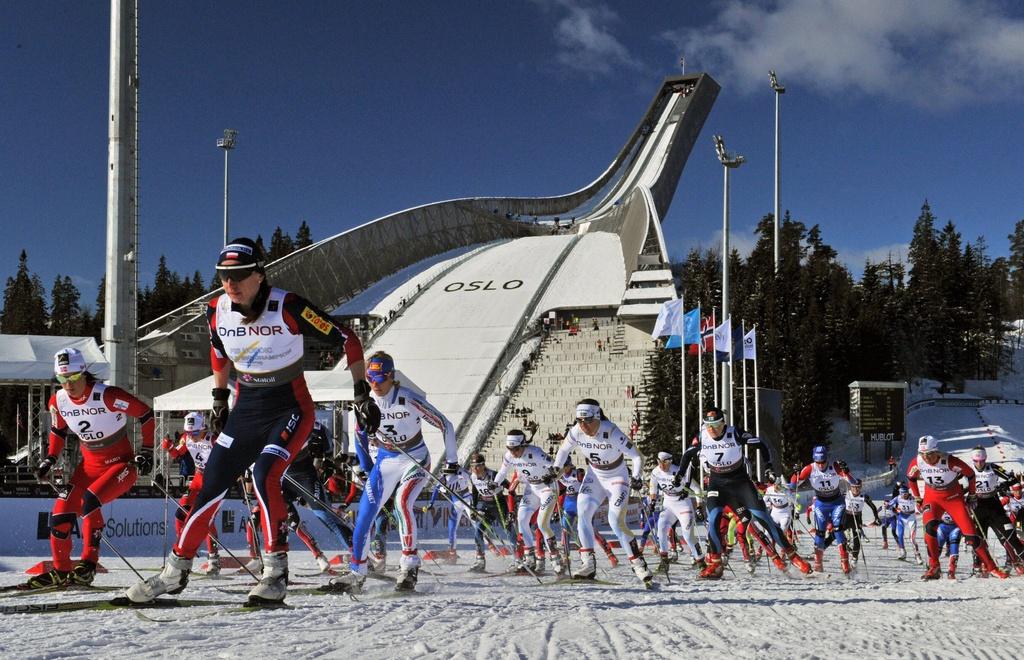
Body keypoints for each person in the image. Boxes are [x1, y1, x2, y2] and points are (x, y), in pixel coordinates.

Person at [126, 237, 371, 605]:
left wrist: (361, 392)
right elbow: (218, 351)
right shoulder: (215, 310)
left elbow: (347, 338)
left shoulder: (286, 305)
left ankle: (275, 572)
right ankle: (175, 572)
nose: (231, 284)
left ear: (259, 275)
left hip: (290, 407)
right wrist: (219, 397)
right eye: (224, 276)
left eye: (239, 275)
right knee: (212, 483)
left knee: (264, 475)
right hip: (247, 409)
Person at [327, 351, 458, 593]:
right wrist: (366, 469)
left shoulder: (408, 399)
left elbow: (444, 424)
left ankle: (409, 566)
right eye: (370, 378)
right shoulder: (367, 403)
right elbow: (359, 437)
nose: (374, 384)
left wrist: (452, 463)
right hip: (386, 461)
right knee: (365, 514)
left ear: (391, 376)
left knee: (401, 502)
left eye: (379, 378)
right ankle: (357, 571)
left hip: (415, 459)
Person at [24, 348, 155, 589]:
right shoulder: (58, 401)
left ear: (84, 373)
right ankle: (62, 571)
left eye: (73, 377)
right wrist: (50, 459)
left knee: (89, 501)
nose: (68, 384)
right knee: (60, 516)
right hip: (88, 468)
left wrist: (147, 451)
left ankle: (88, 565)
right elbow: (57, 430)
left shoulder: (107, 395)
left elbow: (146, 414)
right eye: (62, 379)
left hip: (120, 466)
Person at [679, 407, 811, 579]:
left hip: (740, 483)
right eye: (708, 425)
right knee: (713, 520)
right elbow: (687, 455)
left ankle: (793, 556)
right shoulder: (702, 436)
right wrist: (679, 477)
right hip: (717, 485)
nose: (712, 429)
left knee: (763, 519)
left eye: (716, 425)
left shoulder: (735, 433)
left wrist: (769, 468)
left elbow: (762, 445)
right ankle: (716, 564)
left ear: (723, 423)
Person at [554, 399, 652, 585]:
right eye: (580, 421)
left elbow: (637, 456)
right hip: (595, 476)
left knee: (615, 521)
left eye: (588, 421)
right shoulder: (576, 431)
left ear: (597, 416)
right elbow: (563, 450)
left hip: (617, 478)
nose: (583, 425)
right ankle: (588, 564)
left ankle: (638, 563)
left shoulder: (611, 431)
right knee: (583, 513)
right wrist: (555, 468)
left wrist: (637, 476)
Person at [907, 435, 1007, 579]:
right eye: (922, 454)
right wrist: (917, 498)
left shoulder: (949, 461)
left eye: (929, 454)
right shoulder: (918, 462)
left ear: (936, 451)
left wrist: (972, 495)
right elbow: (911, 478)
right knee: (929, 528)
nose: (926, 458)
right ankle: (934, 567)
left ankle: (992, 567)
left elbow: (971, 474)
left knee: (971, 536)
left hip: (953, 498)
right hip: (932, 497)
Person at [491, 430, 567, 577]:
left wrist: (553, 475)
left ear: (523, 445)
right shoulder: (509, 456)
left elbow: (558, 467)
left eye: (516, 449)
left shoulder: (535, 453)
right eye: (509, 449)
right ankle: (530, 557)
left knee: (542, 524)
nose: (513, 452)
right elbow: (502, 472)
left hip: (547, 488)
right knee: (522, 519)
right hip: (531, 488)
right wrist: (495, 484)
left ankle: (556, 559)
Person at [161, 412, 220, 574]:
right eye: (188, 432)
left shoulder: (213, 439)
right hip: (198, 477)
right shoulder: (186, 438)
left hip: (214, 480)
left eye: (195, 433)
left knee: (206, 519)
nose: (191, 436)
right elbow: (177, 454)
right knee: (181, 513)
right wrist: (169, 447)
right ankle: (184, 553)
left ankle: (213, 558)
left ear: (203, 428)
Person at [791, 445, 854, 574]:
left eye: (823, 462)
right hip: (821, 504)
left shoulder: (835, 466)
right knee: (820, 533)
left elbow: (852, 482)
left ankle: (845, 563)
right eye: (817, 462)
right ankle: (818, 564)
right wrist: (795, 473)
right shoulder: (809, 468)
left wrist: (846, 472)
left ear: (827, 459)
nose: (820, 465)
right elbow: (793, 485)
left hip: (837, 502)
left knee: (838, 529)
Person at [970, 446, 1024, 574]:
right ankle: (979, 564)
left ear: (985, 458)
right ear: (973, 460)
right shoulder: (968, 470)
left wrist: (1003, 485)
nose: (979, 463)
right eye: (977, 461)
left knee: (1010, 536)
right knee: (979, 539)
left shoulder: (993, 467)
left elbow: (1012, 479)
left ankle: (1019, 560)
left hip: (994, 505)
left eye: (982, 460)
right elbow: (958, 485)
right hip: (978, 506)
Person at [648, 451, 704, 575]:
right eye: (659, 462)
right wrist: (652, 500)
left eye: (665, 462)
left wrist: (699, 506)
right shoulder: (655, 472)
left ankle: (700, 561)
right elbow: (653, 487)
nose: (662, 465)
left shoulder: (679, 471)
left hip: (683, 504)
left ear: (670, 461)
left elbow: (697, 488)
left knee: (688, 535)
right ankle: (664, 561)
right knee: (661, 528)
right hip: (668, 504)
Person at [467, 453, 509, 572]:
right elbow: (475, 493)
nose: (475, 469)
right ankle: (480, 560)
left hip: (498, 503)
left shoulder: (493, 475)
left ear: (483, 465)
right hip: (485, 504)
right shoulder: (473, 477)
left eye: (478, 466)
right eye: (473, 466)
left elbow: (509, 486)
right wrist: (474, 509)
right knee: (479, 530)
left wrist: (512, 506)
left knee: (508, 528)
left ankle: (520, 557)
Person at [424, 465, 473, 564]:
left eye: (449, 472)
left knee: (477, 523)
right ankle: (452, 554)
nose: (446, 474)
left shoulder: (461, 473)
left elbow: (472, 479)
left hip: (467, 499)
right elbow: (436, 489)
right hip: (456, 502)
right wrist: (431, 503)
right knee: (451, 527)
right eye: (445, 472)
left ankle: (491, 546)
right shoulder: (444, 477)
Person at [841, 478, 879, 565]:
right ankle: (846, 548)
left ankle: (854, 558)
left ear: (861, 487)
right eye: (853, 487)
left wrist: (876, 517)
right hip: (846, 517)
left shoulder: (864, 497)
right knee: (839, 534)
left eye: (858, 487)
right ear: (850, 487)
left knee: (857, 539)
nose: (856, 489)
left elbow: (873, 507)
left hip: (857, 519)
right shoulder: (845, 494)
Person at [889, 486, 922, 563]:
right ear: (900, 493)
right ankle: (903, 552)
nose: (904, 495)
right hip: (901, 518)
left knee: (912, 538)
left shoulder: (913, 498)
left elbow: (921, 503)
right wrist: (887, 505)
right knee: (900, 535)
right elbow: (890, 504)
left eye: (906, 493)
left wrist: (921, 504)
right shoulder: (898, 498)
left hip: (911, 519)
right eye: (903, 493)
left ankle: (917, 555)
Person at [935, 512, 962, 580]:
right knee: (936, 549)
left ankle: (951, 571)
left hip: (955, 526)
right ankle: (934, 567)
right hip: (942, 526)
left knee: (954, 548)